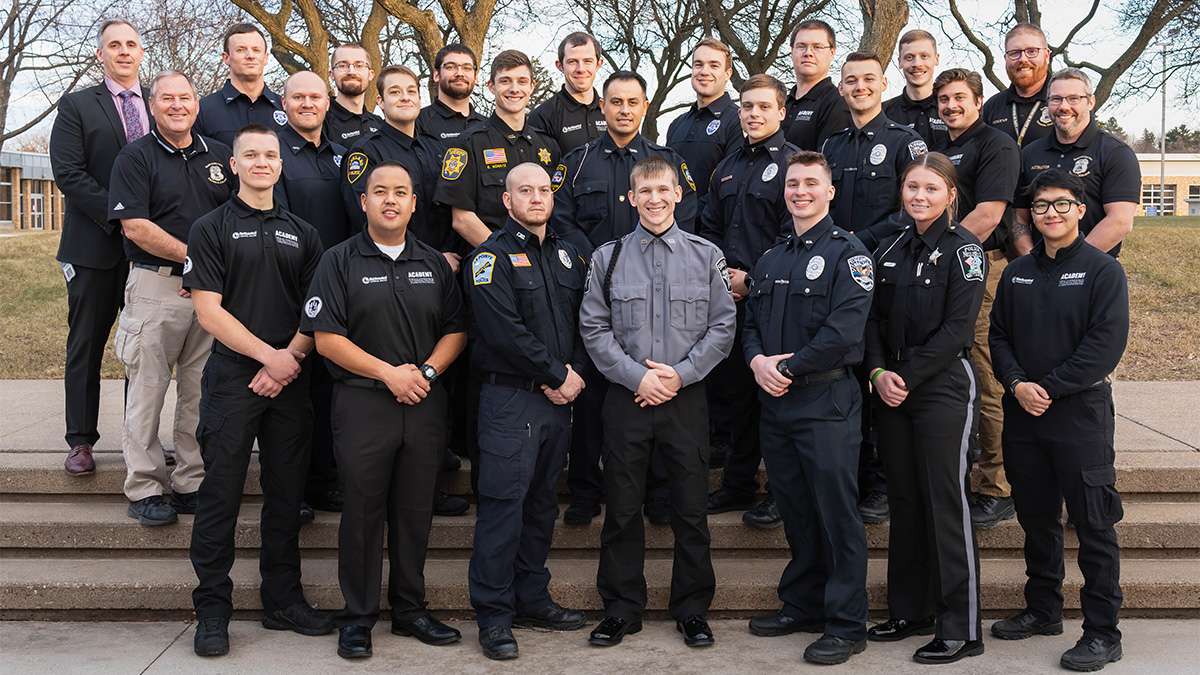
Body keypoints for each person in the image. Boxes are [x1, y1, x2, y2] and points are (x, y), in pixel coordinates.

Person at [301, 161, 467, 659]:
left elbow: (456, 330)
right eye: (380, 192)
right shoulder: (338, 260)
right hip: (362, 403)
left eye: (401, 192)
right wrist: (388, 373)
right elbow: (327, 339)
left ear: (415, 203)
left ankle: (411, 610)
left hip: (423, 403)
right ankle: (359, 616)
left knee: (415, 512)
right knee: (363, 513)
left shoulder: (434, 263)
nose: (391, 200)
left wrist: (427, 374)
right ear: (364, 202)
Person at [186, 125, 332, 657]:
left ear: (280, 164)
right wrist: (267, 356)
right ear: (234, 164)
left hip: (291, 381)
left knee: (287, 497)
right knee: (219, 496)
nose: (263, 162)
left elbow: (317, 310)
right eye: (252, 155)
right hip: (232, 379)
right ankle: (213, 610)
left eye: (271, 155)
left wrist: (287, 358)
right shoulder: (211, 227)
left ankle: (283, 601)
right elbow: (208, 310)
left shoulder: (304, 232)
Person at [579, 156, 736, 649]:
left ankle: (692, 609)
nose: (654, 199)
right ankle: (622, 608)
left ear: (678, 194)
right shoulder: (607, 257)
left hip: (686, 399)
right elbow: (594, 327)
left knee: (690, 509)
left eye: (662, 190)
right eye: (644, 191)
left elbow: (722, 326)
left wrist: (681, 375)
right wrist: (635, 378)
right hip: (627, 399)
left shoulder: (706, 254)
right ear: (631, 198)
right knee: (623, 509)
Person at [988, 169, 1128, 673]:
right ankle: (1043, 609)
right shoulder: (1018, 272)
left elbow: (1103, 347)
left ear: (1081, 209)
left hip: (1080, 416)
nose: (1051, 213)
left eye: (1062, 204)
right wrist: (1018, 383)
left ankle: (1102, 631)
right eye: (1043, 205)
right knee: (1036, 517)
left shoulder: (1102, 271)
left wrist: (1047, 387)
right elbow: (998, 337)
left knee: (1093, 523)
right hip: (1024, 415)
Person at [742, 151, 872, 666]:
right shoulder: (772, 257)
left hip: (825, 399)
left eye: (811, 184)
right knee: (795, 509)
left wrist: (787, 368)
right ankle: (803, 603)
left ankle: (846, 622)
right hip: (776, 402)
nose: (800, 191)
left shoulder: (849, 254)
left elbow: (844, 331)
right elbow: (749, 321)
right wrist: (756, 362)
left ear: (830, 191)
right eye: (793, 184)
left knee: (836, 514)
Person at [551, 70, 697, 527]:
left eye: (633, 101)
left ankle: (657, 494)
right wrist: (596, 261)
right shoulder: (575, 162)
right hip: (593, 290)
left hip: (657, 293)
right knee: (594, 390)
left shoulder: (667, 160)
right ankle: (585, 492)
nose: (624, 109)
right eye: (615, 101)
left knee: (650, 385)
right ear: (602, 106)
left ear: (645, 104)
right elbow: (563, 221)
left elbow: (686, 215)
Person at [864, 152, 985, 665]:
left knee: (945, 502)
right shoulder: (887, 245)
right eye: (912, 187)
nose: (919, 196)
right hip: (890, 387)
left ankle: (961, 625)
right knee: (906, 501)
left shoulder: (965, 252)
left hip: (940, 388)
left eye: (931, 189)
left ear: (950, 195)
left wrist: (906, 377)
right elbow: (869, 320)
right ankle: (909, 609)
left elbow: (957, 330)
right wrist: (876, 374)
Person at [465, 163, 589, 661]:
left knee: (540, 505)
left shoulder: (568, 252)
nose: (536, 198)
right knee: (503, 506)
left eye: (543, 190)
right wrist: (559, 375)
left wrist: (574, 373)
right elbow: (502, 330)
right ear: (507, 201)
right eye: (525, 191)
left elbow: (588, 318)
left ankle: (531, 598)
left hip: (559, 401)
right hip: (510, 400)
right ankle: (494, 616)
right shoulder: (490, 257)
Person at [107, 70, 233, 526]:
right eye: (166, 99)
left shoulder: (219, 156)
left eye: (185, 98)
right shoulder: (134, 157)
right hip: (156, 286)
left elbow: (234, 218)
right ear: (152, 105)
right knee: (147, 389)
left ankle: (191, 480)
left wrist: (212, 271)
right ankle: (144, 485)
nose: (177, 106)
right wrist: (194, 260)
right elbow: (134, 226)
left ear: (197, 105)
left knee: (200, 390)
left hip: (212, 295)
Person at [822, 51, 926, 526]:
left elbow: (913, 207)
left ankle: (882, 483)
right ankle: (853, 475)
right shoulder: (832, 145)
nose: (859, 86)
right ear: (840, 88)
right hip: (835, 277)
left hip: (885, 272)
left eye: (868, 79)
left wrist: (857, 243)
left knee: (880, 366)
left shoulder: (906, 142)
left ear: (882, 84)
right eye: (850, 80)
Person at [698, 74, 798, 529]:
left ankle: (780, 493)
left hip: (778, 298)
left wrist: (752, 278)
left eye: (762, 107)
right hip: (729, 298)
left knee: (775, 397)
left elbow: (794, 233)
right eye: (746, 107)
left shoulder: (795, 165)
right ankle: (737, 483)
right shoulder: (727, 165)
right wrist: (727, 277)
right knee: (734, 393)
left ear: (781, 112)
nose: (753, 114)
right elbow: (709, 228)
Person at [50, 19, 149, 476]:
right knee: (86, 345)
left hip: (150, 253)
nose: (123, 51)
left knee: (144, 352)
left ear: (141, 53)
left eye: (131, 44)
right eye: (114, 45)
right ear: (100, 54)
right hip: (94, 246)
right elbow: (70, 175)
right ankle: (81, 441)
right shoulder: (76, 106)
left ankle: (139, 440)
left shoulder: (161, 102)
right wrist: (122, 217)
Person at [933, 68, 1022, 530]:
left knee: (986, 377)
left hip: (980, 270)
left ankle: (996, 486)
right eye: (943, 99)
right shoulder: (937, 151)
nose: (950, 106)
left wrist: (935, 254)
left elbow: (988, 213)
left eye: (959, 98)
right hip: (940, 271)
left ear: (978, 100)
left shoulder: (995, 144)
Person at [273, 70, 350, 521]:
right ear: (284, 104)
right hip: (292, 285)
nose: (307, 103)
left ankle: (324, 482)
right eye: (298, 96)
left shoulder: (343, 156)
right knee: (293, 397)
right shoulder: (276, 154)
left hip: (339, 288)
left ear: (327, 103)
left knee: (326, 392)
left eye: (315, 96)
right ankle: (292, 492)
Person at [435, 49, 560, 250]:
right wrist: (507, 256)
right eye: (505, 81)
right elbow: (462, 219)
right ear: (491, 86)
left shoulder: (548, 146)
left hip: (544, 263)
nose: (514, 88)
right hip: (492, 265)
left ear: (532, 87)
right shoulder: (467, 144)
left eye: (521, 81)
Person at [1012, 68, 1140, 258]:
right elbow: (1018, 218)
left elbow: (1120, 221)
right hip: (1039, 270)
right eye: (1056, 99)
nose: (1064, 106)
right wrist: (1031, 261)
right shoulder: (1029, 154)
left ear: (1090, 102)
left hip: (1094, 268)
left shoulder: (1116, 153)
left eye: (1074, 98)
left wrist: (1071, 263)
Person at [665, 38, 743, 211]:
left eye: (714, 65)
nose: (704, 71)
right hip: (673, 227)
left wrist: (692, 213)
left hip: (711, 229)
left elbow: (731, 185)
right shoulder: (676, 125)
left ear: (728, 73)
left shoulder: (738, 121)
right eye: (698, 64)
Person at [195, 23, 286, 145]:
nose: (250, 56)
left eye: (256, 50)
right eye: (241, 50)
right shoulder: (203, 110)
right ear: (226, 58)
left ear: (265, 58)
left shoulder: (286, 108)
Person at [529, 32, 607, 154]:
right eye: (572, 62)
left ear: (598, 64)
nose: (580, 69)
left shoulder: (611, 111)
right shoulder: (542, 116)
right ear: (560, 66)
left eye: (587, 61)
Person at [981, 23, 1054, 149]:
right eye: (1014, 53)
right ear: (1005, 59)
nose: (1023, 59)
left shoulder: (1066, 101)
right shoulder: (992, 107)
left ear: (1047, 56)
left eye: (1032, 51)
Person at [783, 19, 851, 152]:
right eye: (801, 46)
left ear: (832, 52)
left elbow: (828, 162)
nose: (808, 53)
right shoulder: (781, 103)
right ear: (792, 51)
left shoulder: (837, 103)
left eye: (817, 47)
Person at [883, 30, 948, 148]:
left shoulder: (952, 108)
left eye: (924, 56)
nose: (917, 64)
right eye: (909, 57)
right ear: (899, 62)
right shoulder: (884, 113)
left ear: (936, 59)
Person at [416, 44, 487, 151]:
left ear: (475, 77)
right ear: (436, 75)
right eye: (450, 67)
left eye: (466, 68)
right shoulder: (417, 123)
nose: (459, 73)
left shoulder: (487, 126)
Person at [323, 43, 382, 146]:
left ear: (370, 74)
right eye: (342, 65)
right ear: (331, 74)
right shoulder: (321, 122)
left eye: (359, 65)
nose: (351, 72)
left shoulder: (379, 124)